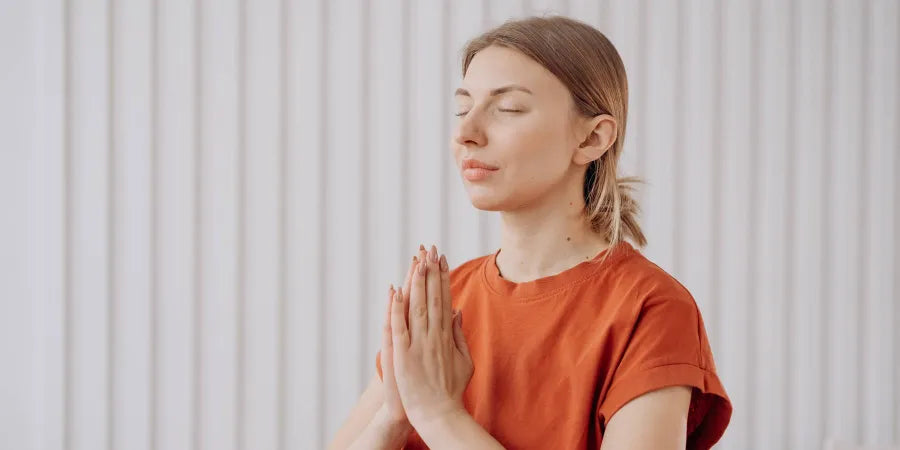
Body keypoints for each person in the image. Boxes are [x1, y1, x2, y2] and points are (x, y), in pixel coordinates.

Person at [329, 15, 731, 449]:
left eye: (508, 109)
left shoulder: (650, 309)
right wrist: (395, 417)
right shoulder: (443, 302)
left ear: (592, 139)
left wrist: (438, 413)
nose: (466, 133)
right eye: (462, 108)